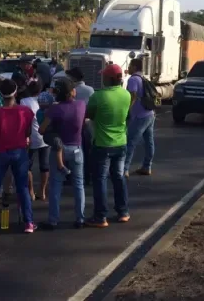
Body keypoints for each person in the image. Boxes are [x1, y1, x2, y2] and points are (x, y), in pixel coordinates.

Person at [0, 79, 37, 234]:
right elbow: (28, 132)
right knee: (22, 187)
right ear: (15, 92)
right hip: (19, 151)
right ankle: (29, 222)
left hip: (0, 151)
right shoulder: (25, 111)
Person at [86, 64, 131, 228]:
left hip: (102, 143)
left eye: (104, 76)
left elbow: (89, 114)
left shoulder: (98, 96)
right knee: (118, 177)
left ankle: (100, 216)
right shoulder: (126, 95)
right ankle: (123, 211)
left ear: (109, 79)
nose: (102, 78)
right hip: (121, 142)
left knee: (100, 180)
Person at [39, 78, 87, 230]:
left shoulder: (55, 109)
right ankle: (80, 218)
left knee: (55, 186)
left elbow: (41, 129)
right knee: (79, 185)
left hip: (59, 150)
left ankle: (53, 220)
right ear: (72, 91)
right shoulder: (81, 105)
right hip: (77, 149)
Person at [124, 59, 156, 178]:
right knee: (149, 141)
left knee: (130, 142)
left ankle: (124, 169)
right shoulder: (143, 78)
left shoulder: (133, 79)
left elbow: (132, 95)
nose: (129, 67)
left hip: (139, 116)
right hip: (149, 114)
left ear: (134, 67)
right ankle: (147, 166)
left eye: (130, 65)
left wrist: (126, 111)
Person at [20, 81, 49, 201]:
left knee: (27, 166)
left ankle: (31, 191)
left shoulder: (24, 101)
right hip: (45, 136)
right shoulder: (46, 100)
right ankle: (42, 191)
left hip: (31, 136)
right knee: (44, 165)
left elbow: (23, 120)